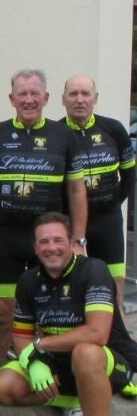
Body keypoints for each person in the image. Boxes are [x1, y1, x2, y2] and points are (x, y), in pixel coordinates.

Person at [0, 68, 87, 412]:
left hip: (50, 241)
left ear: (46, 98)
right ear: (12, 99)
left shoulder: (64, 136)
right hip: (5, 237)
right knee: (3, 314)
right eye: (22, 94)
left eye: (35, 94)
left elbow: (77, 190)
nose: (29, 100)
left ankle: (56, 382)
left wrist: (78, 239)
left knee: (56, 314)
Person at [0, 212, 137, 416]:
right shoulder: (28, 281)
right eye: (44, 242)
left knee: (85, 352)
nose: (51, 247)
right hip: (59, 364)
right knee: (1, 386)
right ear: (35, 248)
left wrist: (40, 346)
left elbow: (97, 333)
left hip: (110, 362)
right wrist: (34, 363)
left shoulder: (94, 270)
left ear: (71, 243)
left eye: (58, 240)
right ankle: (75, 403)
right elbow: (20, 336)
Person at [61, 74, 135, 312]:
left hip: (107, 221)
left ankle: (115, 334)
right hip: (70, 223)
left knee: (113, 289)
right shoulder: (57, 133)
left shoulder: (113, 129)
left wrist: (112, 202)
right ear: (63, 99)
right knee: (71, 287)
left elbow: (129, 175)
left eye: (85, 93)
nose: (79, 99)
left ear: (95, 98)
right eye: (73, 94)